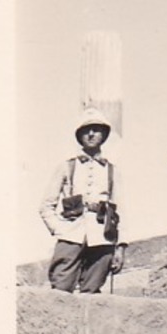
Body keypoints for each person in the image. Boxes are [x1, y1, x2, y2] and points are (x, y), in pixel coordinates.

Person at [40, 106, 126, 293]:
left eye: (96, 130)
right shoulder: (66, 167)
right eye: (86, 130)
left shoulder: (112, 170)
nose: (91, 134)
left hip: (102, 237)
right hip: (71, 233)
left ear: (104, 135)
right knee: (60, 289)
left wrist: (120, 247)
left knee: (92, 293)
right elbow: (46, 206)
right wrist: (59, 229)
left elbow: (122, 212)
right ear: (79, 136)